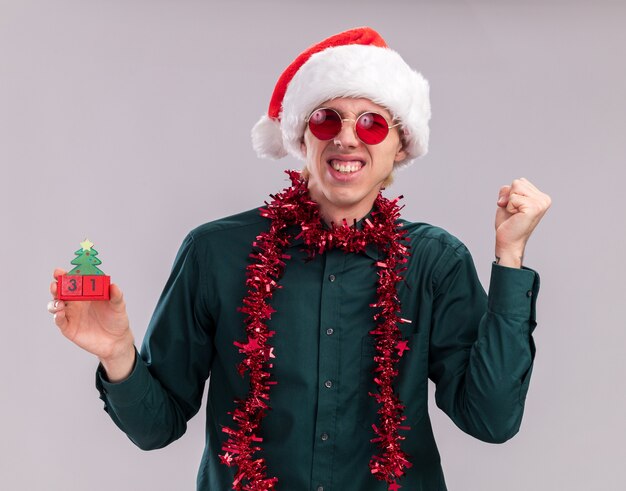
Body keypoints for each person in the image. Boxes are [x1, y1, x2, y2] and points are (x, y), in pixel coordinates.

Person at [48, 27, 551, 491]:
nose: (347, 137)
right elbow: (155, 429)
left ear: (401, 146)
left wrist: (509, 258)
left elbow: (491, 420)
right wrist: (117, 355)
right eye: (326, 117)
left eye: (373, 124)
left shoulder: (435, 261)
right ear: (302, 135)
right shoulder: (215, 252)